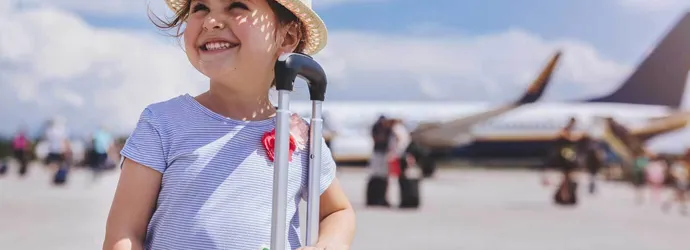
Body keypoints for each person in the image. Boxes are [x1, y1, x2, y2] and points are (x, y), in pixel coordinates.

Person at [103, 1, 355, 249]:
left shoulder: (302, 138)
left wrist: (330, 243)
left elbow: (338, 210)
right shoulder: (163, 123)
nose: (211, 22)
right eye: (200, 8)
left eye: (236, 6)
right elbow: (125, 232)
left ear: (287, 37)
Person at [550, 117, 580, 206]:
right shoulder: (564, 132)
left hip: (570, 158)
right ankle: (564, 196)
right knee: (566, 178)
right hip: (564, 158)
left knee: (568, 178)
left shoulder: (570, 132)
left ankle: (565, 196)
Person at [366, 115, 392, 207]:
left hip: (383, 152)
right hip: (378, 152)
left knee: (381, 174)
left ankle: (380, 197)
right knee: (377, 174)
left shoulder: (387, 129)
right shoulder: (377, 128)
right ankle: (377, 197)